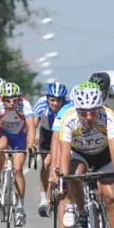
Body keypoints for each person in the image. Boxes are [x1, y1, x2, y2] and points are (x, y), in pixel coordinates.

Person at [55, 82, 114, 228]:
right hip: (80, 155)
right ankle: (82, 212)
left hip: (103, 156)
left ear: (99, 108)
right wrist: (62, 179)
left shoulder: (107, 116)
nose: (88, 117)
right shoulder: (69, 119)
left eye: (93, 112)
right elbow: (64, 153)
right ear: (77, 109)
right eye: (84, 113)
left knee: (111, 197)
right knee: (73, 174)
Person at [0, 81, 36, 227]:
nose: (12, 103)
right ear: (2, 99)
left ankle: (20, 205)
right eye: (8, 100)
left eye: (15, 99)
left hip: (19, 136)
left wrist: (31, 144)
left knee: (18, 169)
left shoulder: (24, 105)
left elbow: (31, 126)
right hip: (4, 134)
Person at [33, 81, 69, 217]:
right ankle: (44, 199)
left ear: (63, 99)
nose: (55, 103)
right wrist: (31, 142)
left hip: (63, 133)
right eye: (52, 100)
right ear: (47, 98)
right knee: (47, 163)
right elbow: (33, 125)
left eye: (58, 100)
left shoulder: (68, 106)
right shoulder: (40, 105)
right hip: (46, 132)